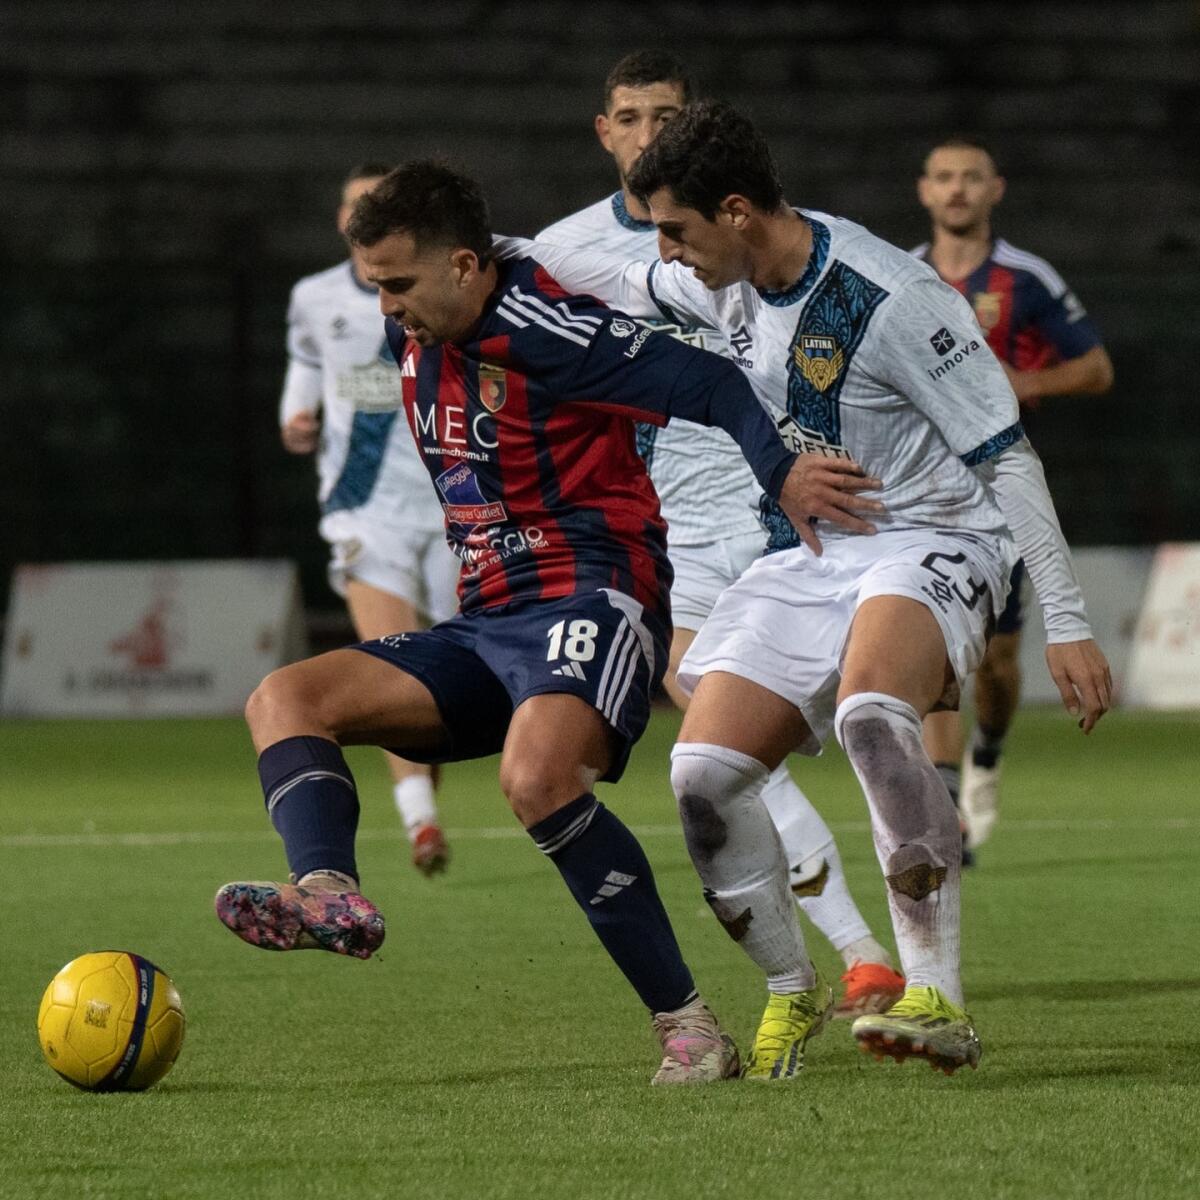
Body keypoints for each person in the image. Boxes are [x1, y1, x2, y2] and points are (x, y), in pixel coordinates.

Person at [215, 160, 872, 1085]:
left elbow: (715, 385)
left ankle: (687, 1026)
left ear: (466, 265)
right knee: (285, 697)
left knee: (536, 777)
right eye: (376, 287)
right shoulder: (418, 319)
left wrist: (783, 474)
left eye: (400, 284)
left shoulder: (544, 327)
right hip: (486, 618)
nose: (388, 309)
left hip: (595, 593)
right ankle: (329, 892)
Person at [502, 101, 1111, 1079]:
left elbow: (1007, 458)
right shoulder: (727, 279)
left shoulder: (894, 298)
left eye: (678, 231)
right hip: (819, 554)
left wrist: (1068, 623)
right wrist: (475, 257)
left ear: (737, 211)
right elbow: (612, 276)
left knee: (874, 712)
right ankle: (795, 990)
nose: (666, 254)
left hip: (941, 535)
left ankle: (939, 999)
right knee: (701, 774)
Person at [537, 49, 903, 1020]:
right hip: (685, 524)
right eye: (630, 116)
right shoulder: (564, 248)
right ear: (603, 129)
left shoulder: (745, 232)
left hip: (791, 506)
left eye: (666, 114)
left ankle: (867, 950)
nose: (647, 132)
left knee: (797, 732)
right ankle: (862, 959)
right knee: (727, 734)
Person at [914, 137, 1114, 856]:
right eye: (944, 177)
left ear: (995, 189)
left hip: (999, 498)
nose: (957, 189)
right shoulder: (900, 278)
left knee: (996, 664)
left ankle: (987, 755)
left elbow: (1094, 368)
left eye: (971, 178)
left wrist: (1028, 383)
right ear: (924, 192)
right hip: (921, 497)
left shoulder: (1026, 279)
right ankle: (942, 802)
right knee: (935, 654)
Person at [280, 162, 459, 876]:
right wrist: (294, 414)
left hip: (453, 503)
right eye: (357, 207)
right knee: (394, 659)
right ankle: (422, 822)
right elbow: (303, 364)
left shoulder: (439, 294)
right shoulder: (314, 297)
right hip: (363, 511)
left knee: (441, 675)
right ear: (341, 219)